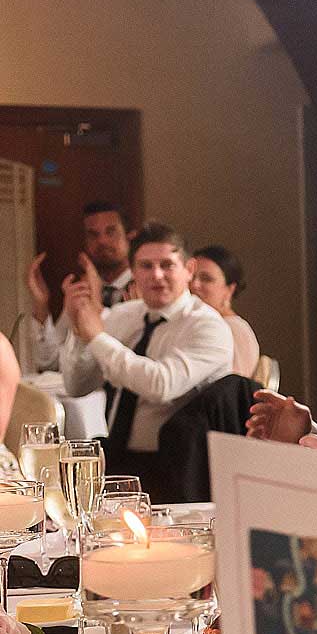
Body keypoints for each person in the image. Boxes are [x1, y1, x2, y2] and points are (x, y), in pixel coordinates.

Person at [56, 221, 232, 480]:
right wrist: (80, 331)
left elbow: (160, 384)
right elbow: (78, 386)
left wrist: (96, 337)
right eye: (146, 266)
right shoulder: (123, 316)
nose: (156, 275)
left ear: (189, 270)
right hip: (117, 457)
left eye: (167, 265)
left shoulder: (208, 326)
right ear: (133, 272)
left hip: (179, 467)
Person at [18, 200, 133, 372]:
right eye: (93, 235)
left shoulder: (145, 290)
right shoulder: (80, 292)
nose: (102, 241)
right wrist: (41, 306)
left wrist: (96, 304)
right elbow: (50, 362)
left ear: (130, 237)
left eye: (111, 232)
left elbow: (130, 363)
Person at [187, 245, 259, 379]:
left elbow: (233, 386)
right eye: (191, 277)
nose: (194, 285)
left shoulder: (234, 329)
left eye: (206, 279)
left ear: (230, 289)